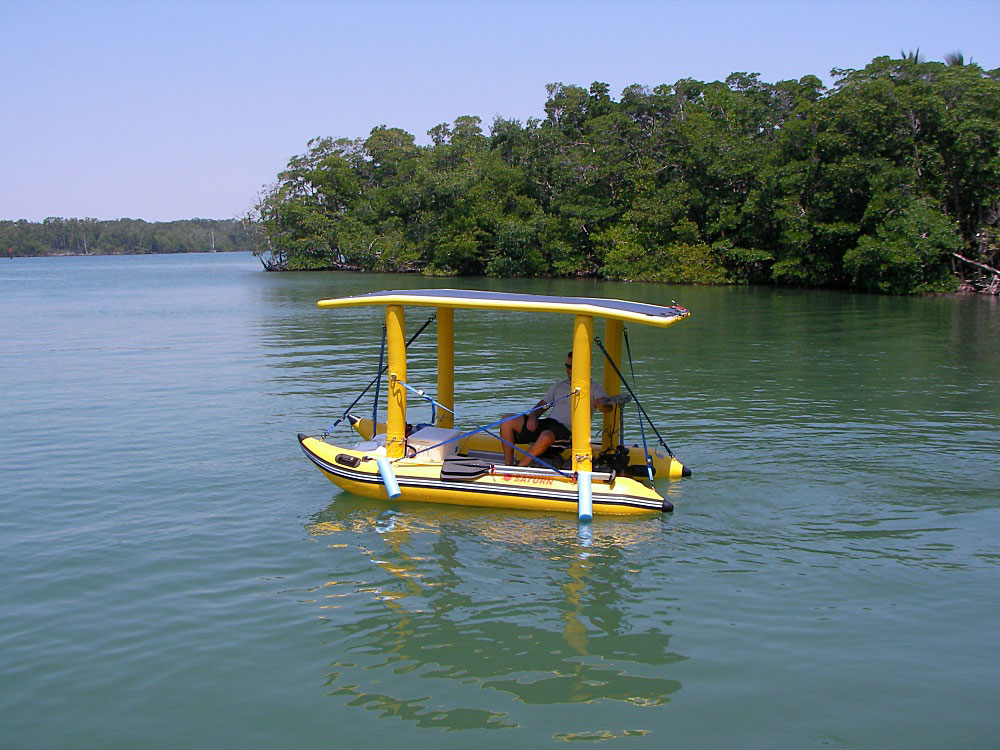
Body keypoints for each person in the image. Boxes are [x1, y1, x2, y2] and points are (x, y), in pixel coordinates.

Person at [500, 351, 612, 467]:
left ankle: (520, 468)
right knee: (507, 420)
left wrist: (601, 404)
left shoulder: (594, 388)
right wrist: (533, 416)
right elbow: (542, 406)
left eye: (571, 367)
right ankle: (508, 464)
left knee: (546, 435)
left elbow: (608, 408)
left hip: (566, 431)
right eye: (567, 366)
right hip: (549, 424)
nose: (568, 370)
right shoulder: (559, 386)